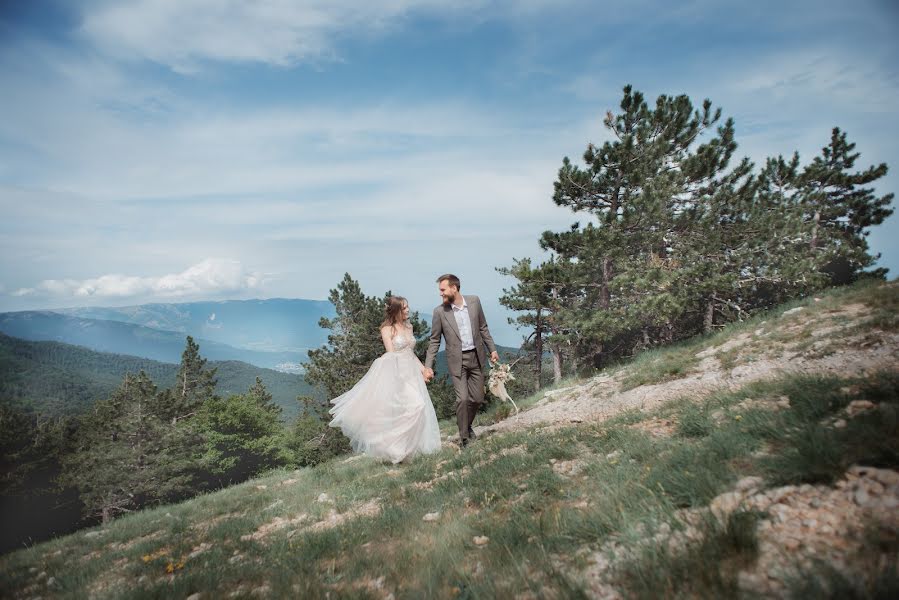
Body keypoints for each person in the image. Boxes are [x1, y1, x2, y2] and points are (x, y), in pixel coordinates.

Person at [328, 296, 441, 463]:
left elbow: (410, 353)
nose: (408, 310)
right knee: (416, 406)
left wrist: (423, 369)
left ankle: (404, 450)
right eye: (404, 308)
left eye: (407, 307)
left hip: (412, 374)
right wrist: (398, 378)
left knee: (415, 409)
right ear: (395, 311)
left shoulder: (408, 326)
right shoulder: (387, 330)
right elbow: (391, 354)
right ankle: (392, 447)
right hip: (397, 373)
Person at [423, 274, 499, 447]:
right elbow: (434, 340)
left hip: (477, 356)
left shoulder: (474, 302)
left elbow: (483, 327)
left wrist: (492, 349)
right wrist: (428, 366)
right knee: (462, 399)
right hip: (457, 361)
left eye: (443, 290)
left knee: (478, 398)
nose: (441, 294)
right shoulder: (440, 312)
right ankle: (464, 437)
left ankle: (467, 425)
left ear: (454, 288)